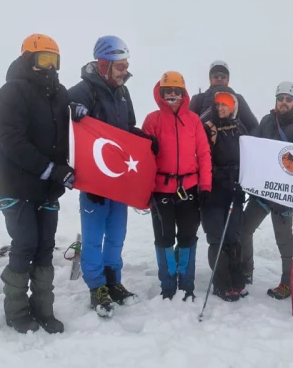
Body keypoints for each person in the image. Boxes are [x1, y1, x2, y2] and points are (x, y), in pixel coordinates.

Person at [0, 34, 73, 333]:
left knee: (45, 247)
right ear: (28, 60)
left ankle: (43, 309)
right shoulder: (11, 93)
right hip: (16, 186)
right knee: (25, 244)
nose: (49, 66)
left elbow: (74, 132)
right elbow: (12, 142)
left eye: (54, 60)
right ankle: (16, 311)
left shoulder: (60, 94)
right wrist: (51, 169)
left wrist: (80, 112)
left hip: (47, 188)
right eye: (43, 59)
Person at [68, 35, 152, 317]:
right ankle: (96, 287)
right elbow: (61, 121)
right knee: (93, 236)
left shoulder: (123, 92)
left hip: (118, 177)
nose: (125, 71)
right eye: (120, 66)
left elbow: (127, 129)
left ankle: (113, 281)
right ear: (104, 65)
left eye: (126, 65)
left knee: (117, 234)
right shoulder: (83, 90)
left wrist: (145, 141)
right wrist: (71, 111)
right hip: (93, 180)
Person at [142, 71, 212, 301]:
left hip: (189, 188)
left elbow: (204, 154)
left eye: (177, 91)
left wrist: (205, 186)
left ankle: (187, 284)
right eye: (167, 91)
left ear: (184, 93)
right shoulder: (152, 120)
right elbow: (143, 158)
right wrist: (144, 189)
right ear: (160, 93)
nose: (172, 95)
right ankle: (168, 285)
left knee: (187, 237)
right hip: (160, 189)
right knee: (164, 239)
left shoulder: (193, 120)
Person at [240, 81, 293, 299]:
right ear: (276, 101)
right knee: (244, 229)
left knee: (284, 240)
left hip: (283, 194)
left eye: (288, 99)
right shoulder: (267, 121)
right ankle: (246, 270)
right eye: (281, 99)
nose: (284, 103)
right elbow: (255, 146)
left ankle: (287, 283)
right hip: (262, 192)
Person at [199, 88, 249, 302]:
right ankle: (221, 284)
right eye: (217, 104)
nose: (220, 107)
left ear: (233, 106)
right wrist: (211, 184)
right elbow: (203, 159)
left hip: (234, 190)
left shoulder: (239, 128)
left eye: (225, 104)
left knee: (233, 238)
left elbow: (247, 157)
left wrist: (242, 183)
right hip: (214, 192)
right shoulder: (208, 128)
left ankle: (236, 281)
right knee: (217, 238)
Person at [189, 60, 258, 134]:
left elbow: (254, 127)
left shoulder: (238, 99)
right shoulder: (198, 99)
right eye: (215, 76)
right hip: (205, 140)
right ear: (210, 79)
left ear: (228, 80)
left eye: (223, 76)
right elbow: (188, 126)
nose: (219, 78)